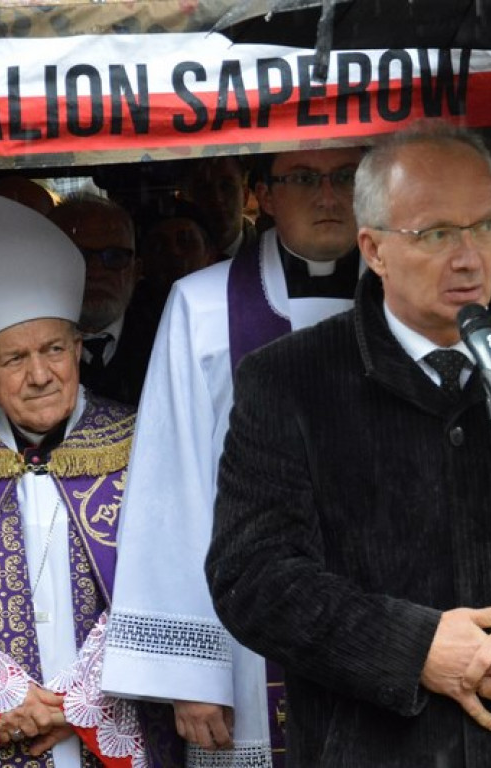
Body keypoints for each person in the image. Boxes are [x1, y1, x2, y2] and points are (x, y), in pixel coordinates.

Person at [204, 123, 491, 767]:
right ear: (374, 249)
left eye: (484, 227)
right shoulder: (289, 381)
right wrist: (412, 647)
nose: (469, 256)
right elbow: (250, 576)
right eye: (436, 233)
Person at [100, 145, 366, 766]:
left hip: (384, 627)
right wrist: (193, 675)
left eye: (346, 177)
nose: (327, 196)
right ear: (264, 194)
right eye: (304, 178)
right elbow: (173, 482)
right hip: (245, 645)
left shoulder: (413, 301)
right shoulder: (201, 303)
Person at [0, 192, 181, 767]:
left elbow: (170, 578)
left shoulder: (143, 441)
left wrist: (79, 700)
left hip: (116, 711)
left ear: (80, 349)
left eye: (55, 349)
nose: (40, 375)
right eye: (15, 360)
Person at [49, 193, 159, 405]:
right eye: (77, 256)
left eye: (115, 256)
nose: (95, 271)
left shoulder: (166, 336)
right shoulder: (17, 345)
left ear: (136, 271)